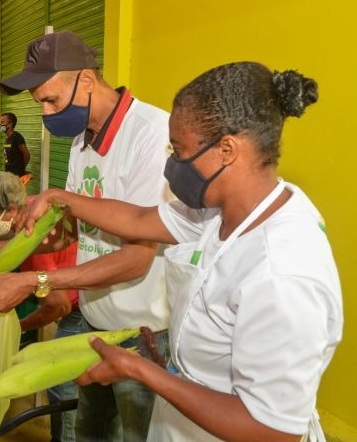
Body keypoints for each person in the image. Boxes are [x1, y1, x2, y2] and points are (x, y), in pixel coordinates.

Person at [18, 62, 343, 442]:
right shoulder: (216, 211)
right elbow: (138, 219)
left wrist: (141, 371)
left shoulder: (283, 271)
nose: (170, 166)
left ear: (227, 150)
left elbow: (270, 429)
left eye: (179, 152)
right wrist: (60, 197)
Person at [0, 31, 172, 441]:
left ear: (87, 80)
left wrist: (36, 280)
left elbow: (137, 258)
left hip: (143, 337)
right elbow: (70, 236)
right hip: (95, 329)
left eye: (51, 100)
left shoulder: (152, 134)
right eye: (39, 103)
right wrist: (1, 252)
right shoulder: (81, 143)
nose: (45, 113)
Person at [0, 170, 80, 442]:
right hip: (78, 297)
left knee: (61, 387)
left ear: (10, 209)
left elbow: (58, 306)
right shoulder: (29, 207)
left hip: (80, 308)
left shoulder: (34, 233)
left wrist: (20, 329)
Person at [0, 112, 30, 177]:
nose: (0, 125)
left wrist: (21, 169)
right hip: (9, 175)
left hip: (16, 176)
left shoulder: (17, 137)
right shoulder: (7, 137)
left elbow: (26, 154)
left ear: (10, 124)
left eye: (2, 122)